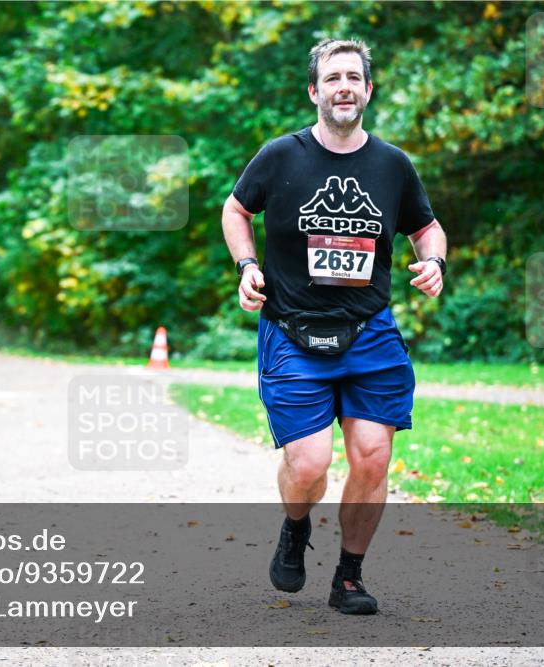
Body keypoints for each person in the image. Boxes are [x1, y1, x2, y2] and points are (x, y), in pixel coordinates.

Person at [221, 38, 447, 615]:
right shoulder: (280, 155)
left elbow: (427, 229)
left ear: (368, 90)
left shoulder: (393, 164)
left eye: (354, 77)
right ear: (314, 91)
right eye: (333, 77)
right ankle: (296, 527)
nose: (344, 86)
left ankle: (349, 575)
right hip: (293, 330)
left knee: (372, 455)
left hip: (370, 330)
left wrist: (435, 262)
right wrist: (247, 265)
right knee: (310, 464)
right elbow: (235, 209)